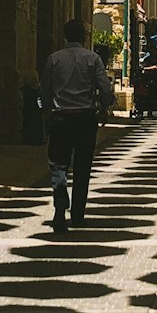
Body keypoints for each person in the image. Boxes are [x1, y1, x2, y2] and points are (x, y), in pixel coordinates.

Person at [40, 18, 114, 235]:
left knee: (58, 163)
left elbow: (44, 89)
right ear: (83, 36)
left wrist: (47, 110)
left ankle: (60, 202)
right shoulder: (93, 59)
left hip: (60, 117)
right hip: (85, 119)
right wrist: (103, 106)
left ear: (65, 36)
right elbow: (106, 89)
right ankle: (78, 214)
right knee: (83, 166)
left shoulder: (54, 59)